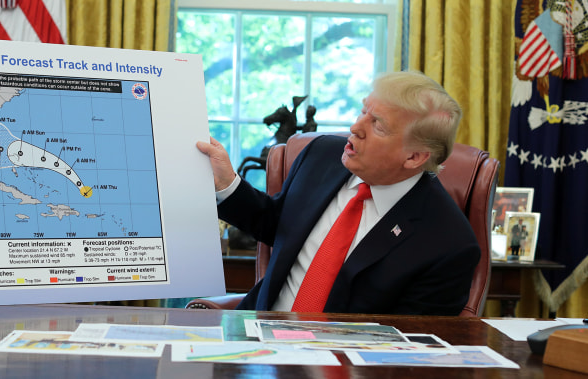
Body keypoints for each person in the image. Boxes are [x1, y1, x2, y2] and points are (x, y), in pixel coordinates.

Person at [196, 71, 480, 316]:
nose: (355, 128)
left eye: (377, 125)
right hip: (258, 336)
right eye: (362, 111)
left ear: (415, 157)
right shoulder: (322, 155)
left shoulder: (449, 244)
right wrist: (226, 183)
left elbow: (408, 348)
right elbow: (276, 223)